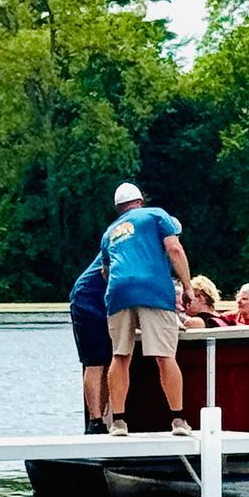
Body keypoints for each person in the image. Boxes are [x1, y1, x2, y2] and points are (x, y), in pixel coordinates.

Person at [100, 181, 194, 437]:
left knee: (120, 355)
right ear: (140, 201)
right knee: (164, 356)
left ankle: (118, 422)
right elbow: (174, 248)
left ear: (119, 208)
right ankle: (178, 420)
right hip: (154, 290)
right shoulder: (157, 215)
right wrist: (187, 287)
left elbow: (106, 272)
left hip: (118, 292)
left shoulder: (109, 232)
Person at [68, 251, 111, 434]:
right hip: (88, 300)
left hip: (108, 302)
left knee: (112, 361)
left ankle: (108, 419)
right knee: (95, 362)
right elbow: (107, 273)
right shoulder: (120, 240)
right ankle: (95, 421)